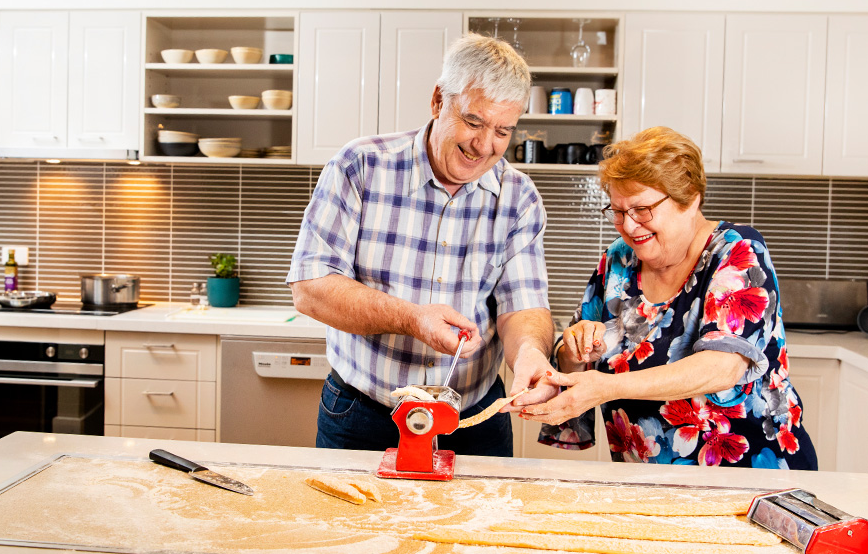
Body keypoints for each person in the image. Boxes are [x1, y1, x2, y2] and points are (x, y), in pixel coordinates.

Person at [286, 33, 561, 457]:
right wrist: (414, 319)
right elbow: (310, 289)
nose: (485, 145)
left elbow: (523, 306)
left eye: (503, 131)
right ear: (438, 101)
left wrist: (528, 353)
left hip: (473, 420)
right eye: (473, 122)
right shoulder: (359, 166)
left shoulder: (519, 198)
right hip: (364, 413)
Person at [524, 126, 818, 470]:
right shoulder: (618, 260)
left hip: (751, 477)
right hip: (647, 481)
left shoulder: (738, 252)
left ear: (689, 198)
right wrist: (574, 347)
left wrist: (605, 387)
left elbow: (721, 368)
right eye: (618, 212)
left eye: (642, 209)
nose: (629, 226)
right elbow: (571, 357)